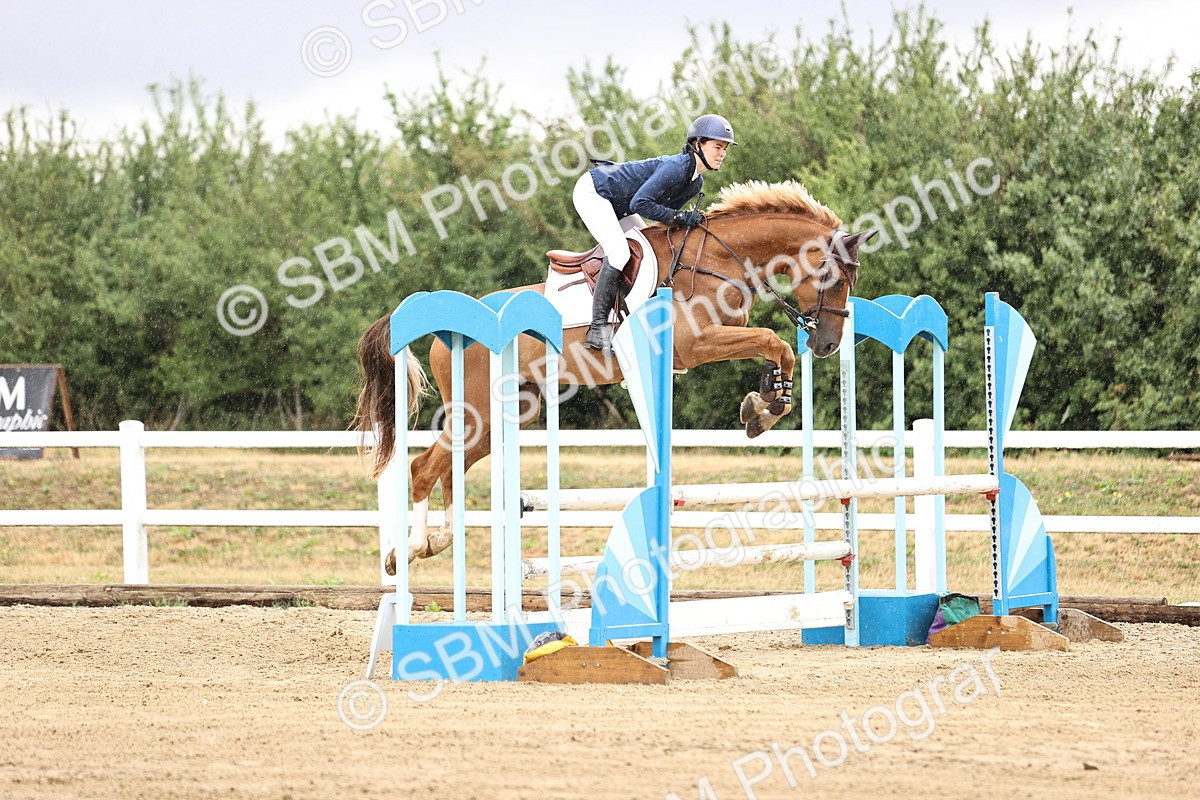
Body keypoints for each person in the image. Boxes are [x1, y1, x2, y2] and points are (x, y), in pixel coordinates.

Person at [574, 113, 737, 352]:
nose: (722, 153)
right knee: (619, 254)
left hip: (620, 204)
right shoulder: (677, 167)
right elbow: (640, 204)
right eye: (717, 146)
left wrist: (688, 222)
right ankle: (597, 328)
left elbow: (662, 216)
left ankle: (631, 319)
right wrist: (681, 217)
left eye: (725, 148)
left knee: (651, 252)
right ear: (697, 144)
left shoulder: (696, 182)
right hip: (595, 192)